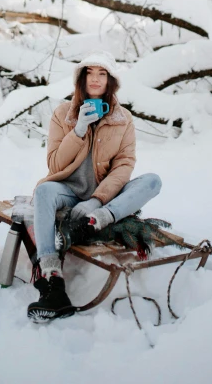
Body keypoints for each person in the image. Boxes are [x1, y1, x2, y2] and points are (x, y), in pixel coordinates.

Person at [27, 51, 162, 322]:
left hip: (104, 198)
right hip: (67, 190)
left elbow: (124, 166)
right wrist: (78, 130)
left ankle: (95, 221)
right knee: (43, 191)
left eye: (103, 74)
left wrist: (98, 201)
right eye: (90, 73)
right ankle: (53, 283)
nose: (96, 79)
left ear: (111, 81)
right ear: (81, 78)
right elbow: (54, 165)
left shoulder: (123, 119)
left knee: (152, 181)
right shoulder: (63, 114)